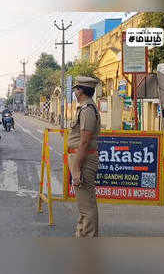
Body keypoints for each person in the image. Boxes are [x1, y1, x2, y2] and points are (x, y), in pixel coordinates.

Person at [67, 76, 101, 238]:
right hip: (82, 158)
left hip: (84, 160)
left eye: (76, 88)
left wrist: (76, 169)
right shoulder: (85, 108)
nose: (74, 91)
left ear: (80, 90)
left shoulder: (87, 110)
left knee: (87, 208)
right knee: (84, 206)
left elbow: (85, 141)